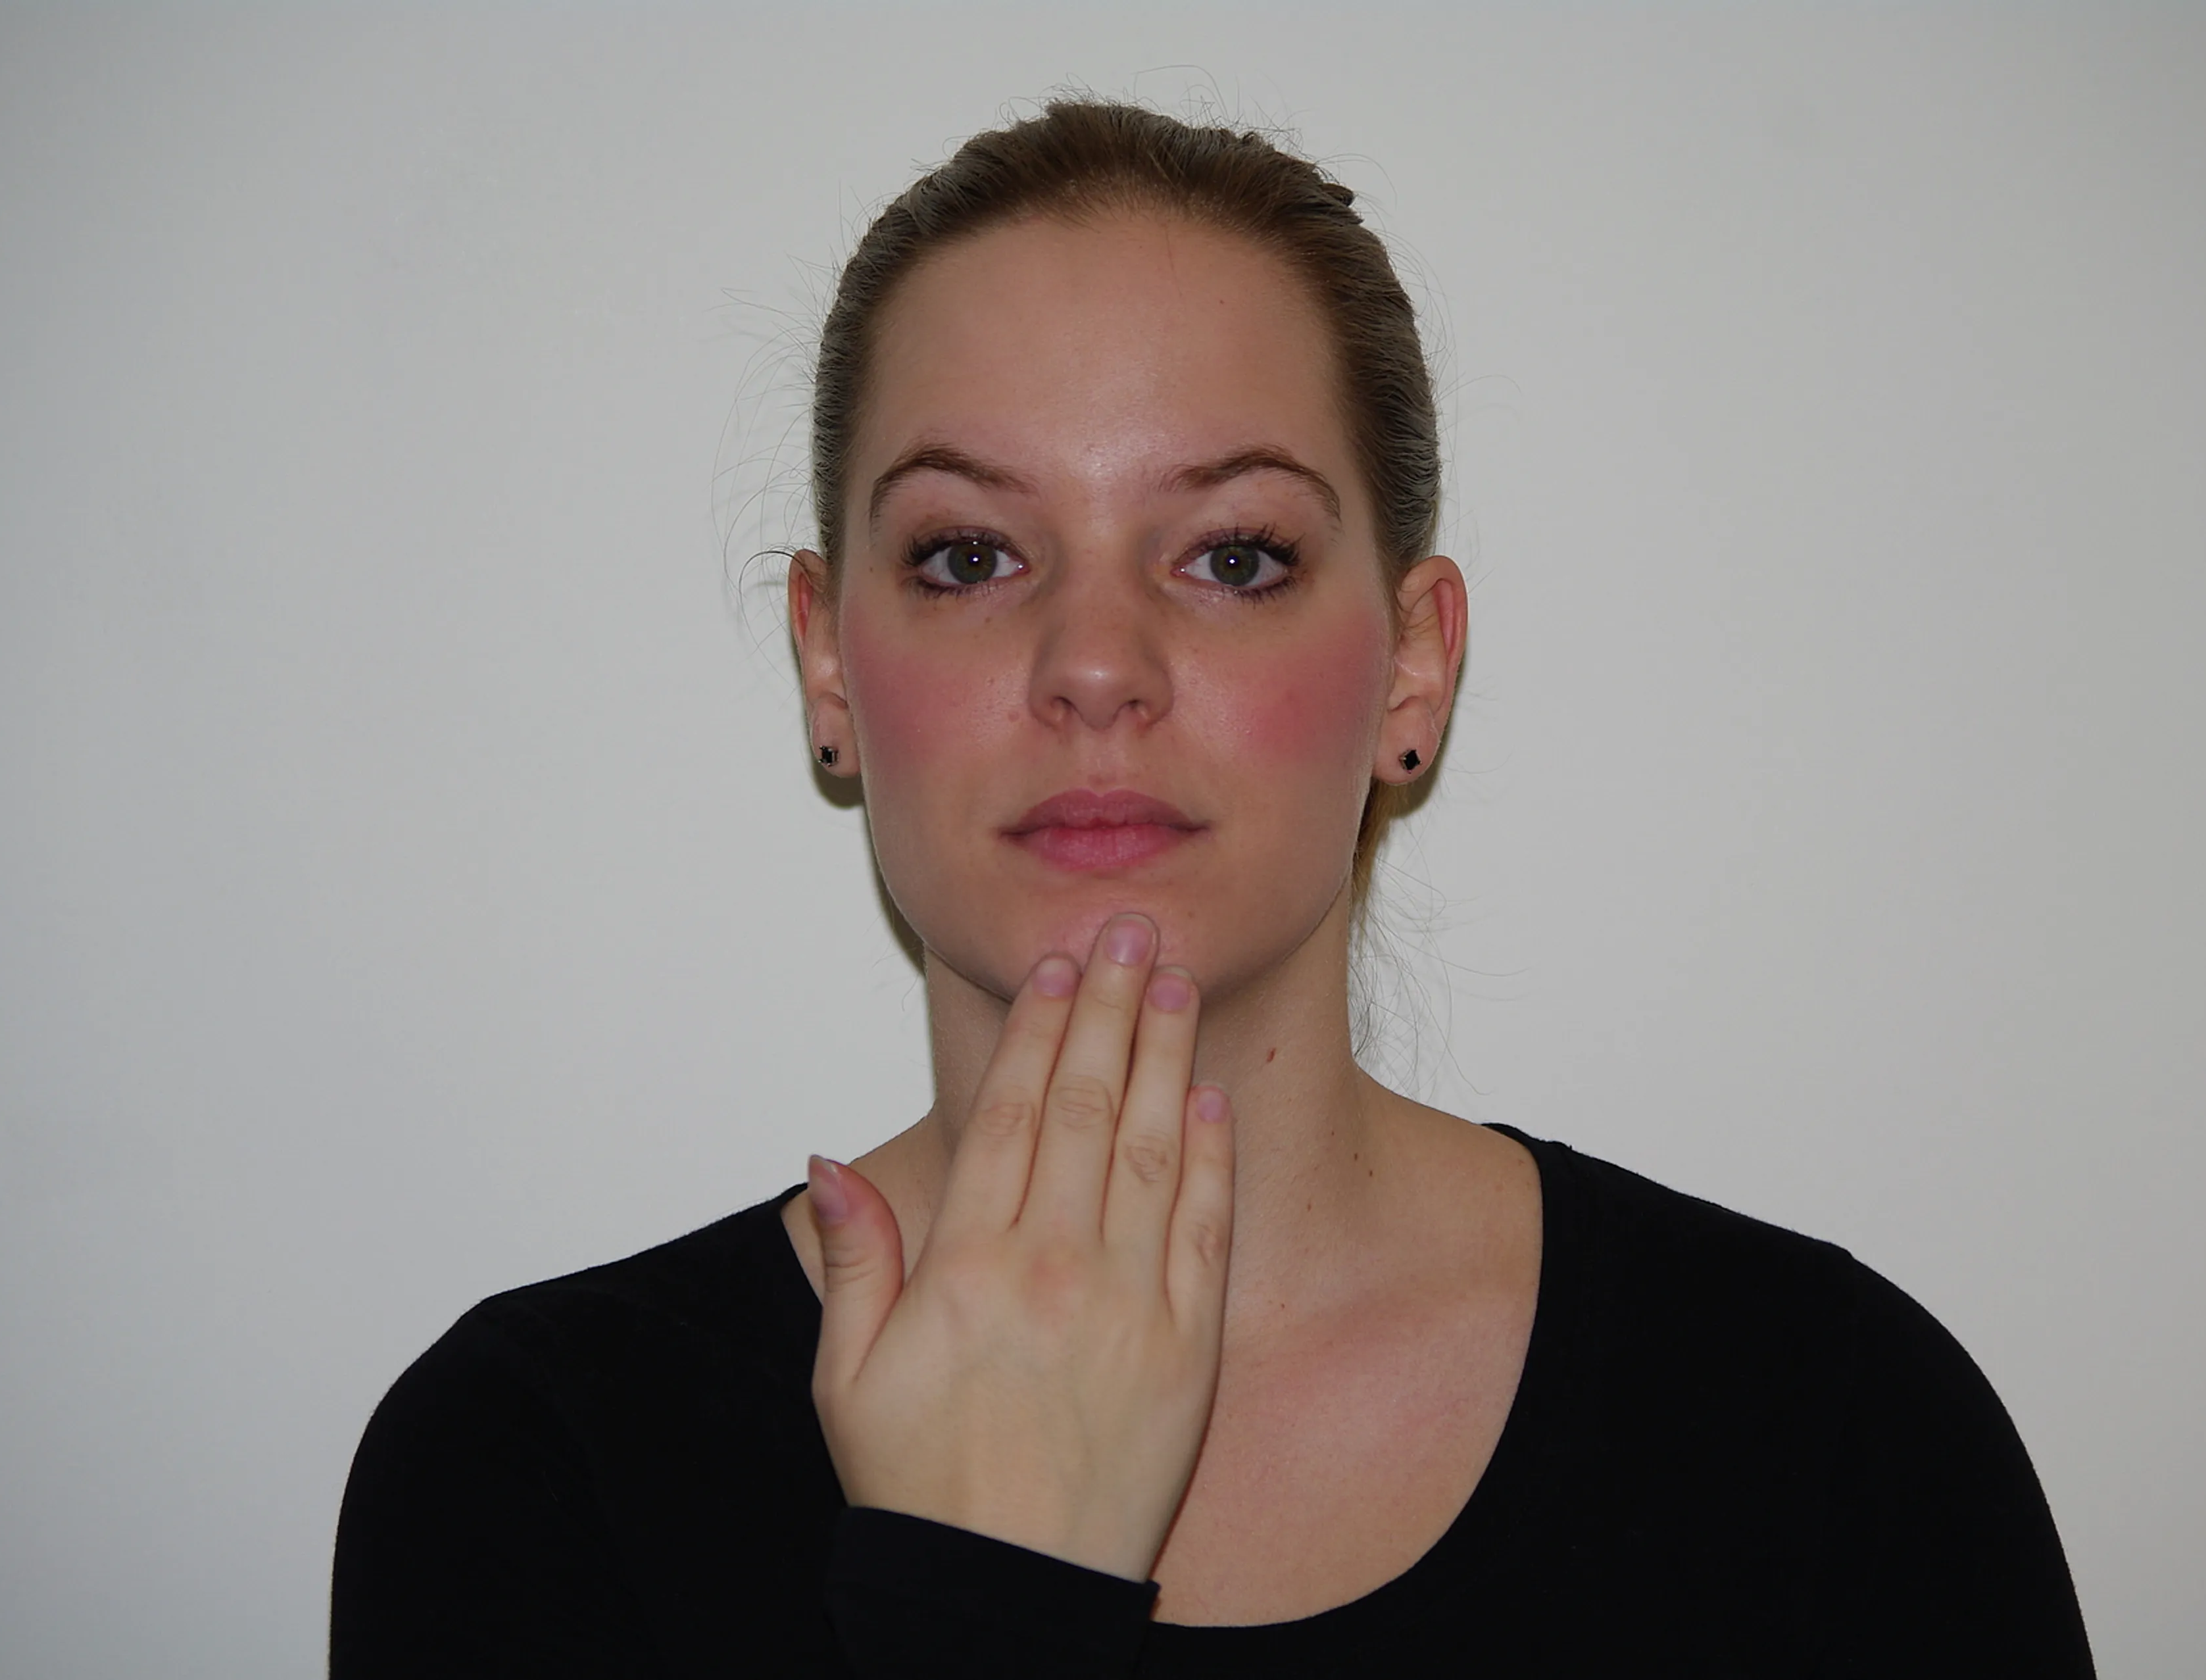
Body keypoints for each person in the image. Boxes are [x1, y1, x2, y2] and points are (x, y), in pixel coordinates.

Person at [331, 99, 2097, 1677]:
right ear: (826, 663)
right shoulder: (534, 1466)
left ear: (1412, 664)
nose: (1096, 664)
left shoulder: (1827, 1431)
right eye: (970, 554)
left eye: (1234, 557)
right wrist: (981, 1601)